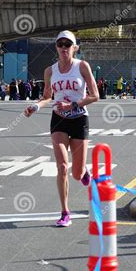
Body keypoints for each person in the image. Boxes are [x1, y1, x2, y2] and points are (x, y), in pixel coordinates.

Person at [24, 30, 99, 227]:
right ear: (56, 47)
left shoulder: (82, 66)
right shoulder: (50, 71)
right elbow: (48, 96)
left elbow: (95, 95)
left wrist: (73, 105)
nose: (64, 48)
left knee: (75, 173)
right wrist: (36, 106)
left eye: (68, 45)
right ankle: (65, 212)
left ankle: (83, 172)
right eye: (60, 44)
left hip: (79, 118)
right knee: (62, 167)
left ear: (74, 48)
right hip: (58, 120)